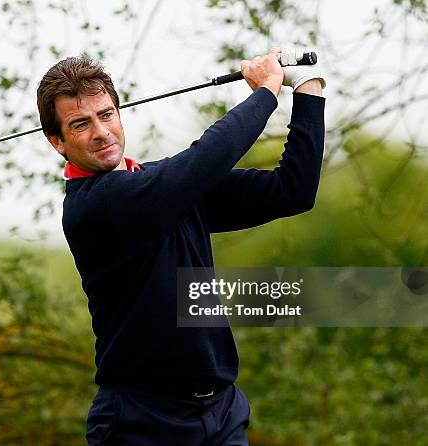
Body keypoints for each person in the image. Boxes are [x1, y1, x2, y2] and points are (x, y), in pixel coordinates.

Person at [36, 48, 325, 445]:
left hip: (221, 415)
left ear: (119, 114)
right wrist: (265, 93)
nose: (101, 131)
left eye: (106, 114)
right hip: (142, 424)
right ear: (58, 142)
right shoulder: (94, 205)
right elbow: (202, 161)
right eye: (81, 123)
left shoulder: (166, 187)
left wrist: (308, 90)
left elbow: (292, 192)